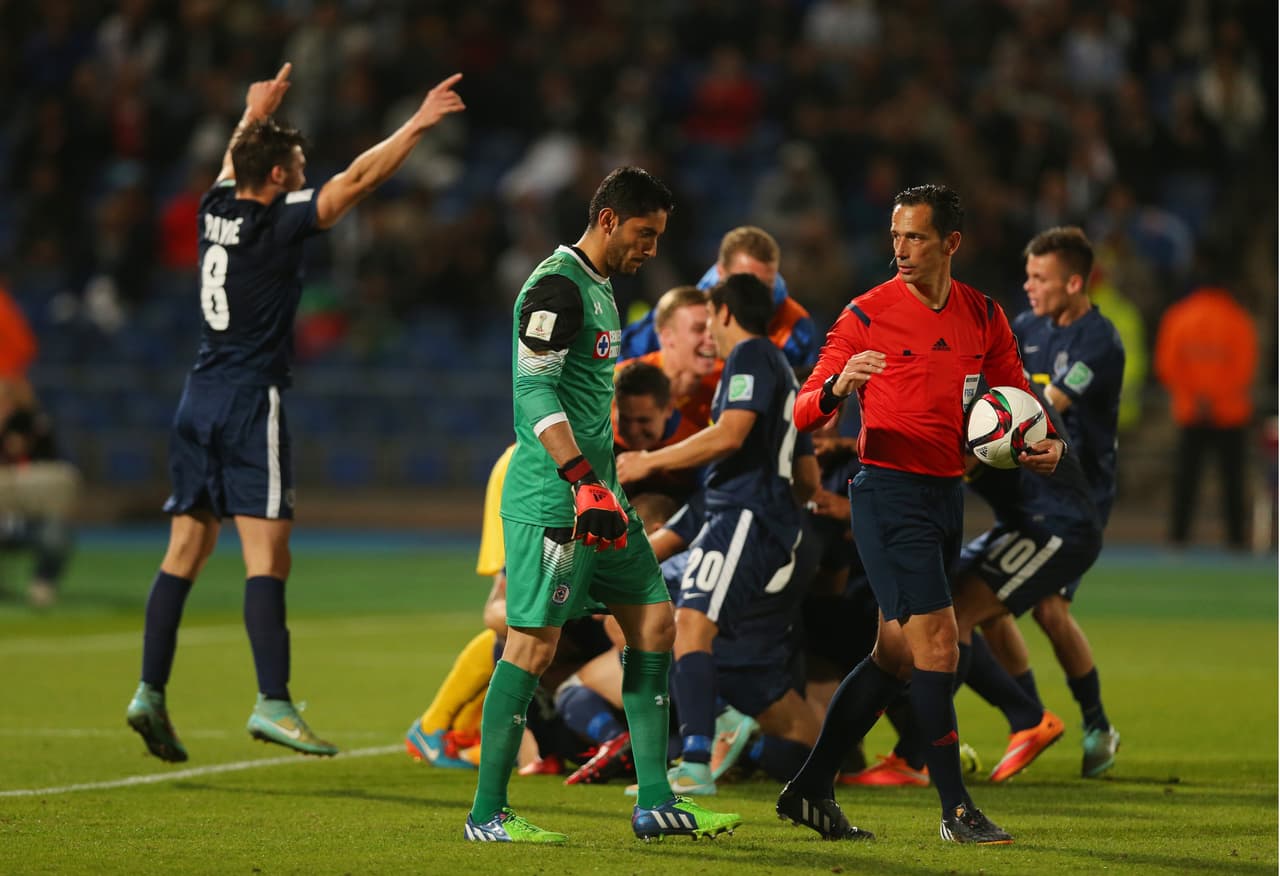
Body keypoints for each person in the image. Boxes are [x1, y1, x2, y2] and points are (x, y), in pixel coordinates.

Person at [124, 64, 466, 763]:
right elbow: (361, 181)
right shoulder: (277, 226)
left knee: (184, 552)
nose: (307, 174)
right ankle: (274, 701)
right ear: (278, 177)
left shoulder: (213, 209)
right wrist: (417, 125)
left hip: (198, 397)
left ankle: (149, 691)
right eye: (299, 166)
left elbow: (233, 162)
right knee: (267, 558)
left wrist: (252, 113)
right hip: (252, 400)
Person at [775, 184, 1064, 845]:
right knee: (939, 640)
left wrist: (1042, 442)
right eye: (896, 236)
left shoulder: (983, 316)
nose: (900, 250)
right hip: (887, 492)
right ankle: (956, 811)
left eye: (916, 238)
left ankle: (810, 790)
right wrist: (840, 386)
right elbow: (801, 407)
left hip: (946, 493)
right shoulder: (866, 315)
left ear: (951, 244)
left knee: (897, 654)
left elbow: (1018, 398)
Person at [463, 166, 740, 844]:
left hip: (600, 498)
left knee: (653, 623)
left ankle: (654, 801)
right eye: (645, 234)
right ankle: (487, 815)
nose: (651, 249)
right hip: (559, 500)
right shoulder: (558, 286)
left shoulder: (602, 289)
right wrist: (583, 478)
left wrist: (602, 484)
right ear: (610, 220)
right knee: (530, 647)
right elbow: (534, 393)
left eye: (659, 237)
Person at [616, 273, 819, 796]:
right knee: (692, 631)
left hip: (746, 518)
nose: (708, 331)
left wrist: (646, 462)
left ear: (726, 312)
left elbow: (730, 434)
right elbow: (808, 479)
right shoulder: (778, 371)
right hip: (752, 519)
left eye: (709, 317)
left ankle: (699, 760)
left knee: (689, 627)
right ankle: (736, 747)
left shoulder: (751, 357)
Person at [977, 226, 1126, 778]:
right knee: (990, 601)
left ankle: (1095, 724)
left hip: (1076, 494)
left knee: (1047, 608)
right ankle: (1033, 718)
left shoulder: (1099, 342)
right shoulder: (1024, 328)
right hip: (1027, 488)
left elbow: (1048, 404)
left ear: (1074, 281)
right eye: (1027, 275)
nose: (1029, 286)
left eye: (1040, 277)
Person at [620, 226, 819, 371]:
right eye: (744, 283)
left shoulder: (794, 328)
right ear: (721, 273)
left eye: (764, 286)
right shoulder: (685, 314)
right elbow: (621, 359)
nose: (754, 294)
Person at [1154, 282, 1258, 550]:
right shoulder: (1237, 318)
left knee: (1186, 482)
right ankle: (1237, 544)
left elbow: (1166, 365)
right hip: (1229, 414)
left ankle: (1177, 541)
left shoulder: (1179, 316)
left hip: (1191, 413)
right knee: (1233, 483)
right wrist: (1215, 398)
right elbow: (1244, 368)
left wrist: (1196, 397)